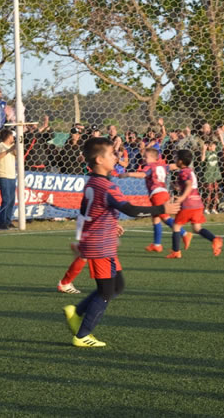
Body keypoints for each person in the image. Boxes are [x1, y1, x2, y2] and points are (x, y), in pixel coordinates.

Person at [61, 137, 180, 348]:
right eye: (111, 154)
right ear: (99, 159)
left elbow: (88, 211)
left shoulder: (92, 182)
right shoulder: (107, 186)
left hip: (101, 241)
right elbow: (130, 210)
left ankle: (77, 312)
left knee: (117, 286)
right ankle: (82, 335)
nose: (116, 157)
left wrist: (108, 224)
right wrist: (162, 209)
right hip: (100, 245)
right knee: (106, 291)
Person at [116, 147, 190, 255]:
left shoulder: (150, 166)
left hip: (157, 194)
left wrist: (127, 174)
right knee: (155, 218)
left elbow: (142, 175)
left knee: (164, 217)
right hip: (163, 192)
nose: (143, 159)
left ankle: (184, 233)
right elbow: (173, 166)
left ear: (153, 158)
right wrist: (185, 166)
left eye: (146, 157)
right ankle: (157, 244)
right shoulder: (163, 165)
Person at [165, 149, 223, 259]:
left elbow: (189, 184)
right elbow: (188, 185)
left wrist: (182, 197)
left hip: (188, 205)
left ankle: (176, 251)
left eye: (176, 158)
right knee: (196, 228)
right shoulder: (190, 171)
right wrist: (176, 187)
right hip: (198, 204)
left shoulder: (183, 172)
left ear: (181, 161)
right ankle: (214, 239)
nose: (175, 160)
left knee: (176, 226)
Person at [0, 128, 16, 230]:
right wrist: (8, 150)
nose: (13, 137)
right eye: (12, 136)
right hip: (3, 175)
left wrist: (16, 148)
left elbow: (18, 155)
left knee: (11, 200)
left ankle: (8, 221)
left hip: (12, 175)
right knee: (6, 199)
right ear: (8, 136)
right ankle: (1, 223)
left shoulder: (12, 146)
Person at [202, 141, 222, 214]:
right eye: (211, 145)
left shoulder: (215, 153)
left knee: (215, 192)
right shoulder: (207, 153)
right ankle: (206, 208)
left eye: (214, 145)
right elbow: (202, 160)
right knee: (208, 193)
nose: (213, 146)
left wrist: (220, 137)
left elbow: (222, 145)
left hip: (215, 176)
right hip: (208, 176)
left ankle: (213, 208)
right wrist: (204, 150)